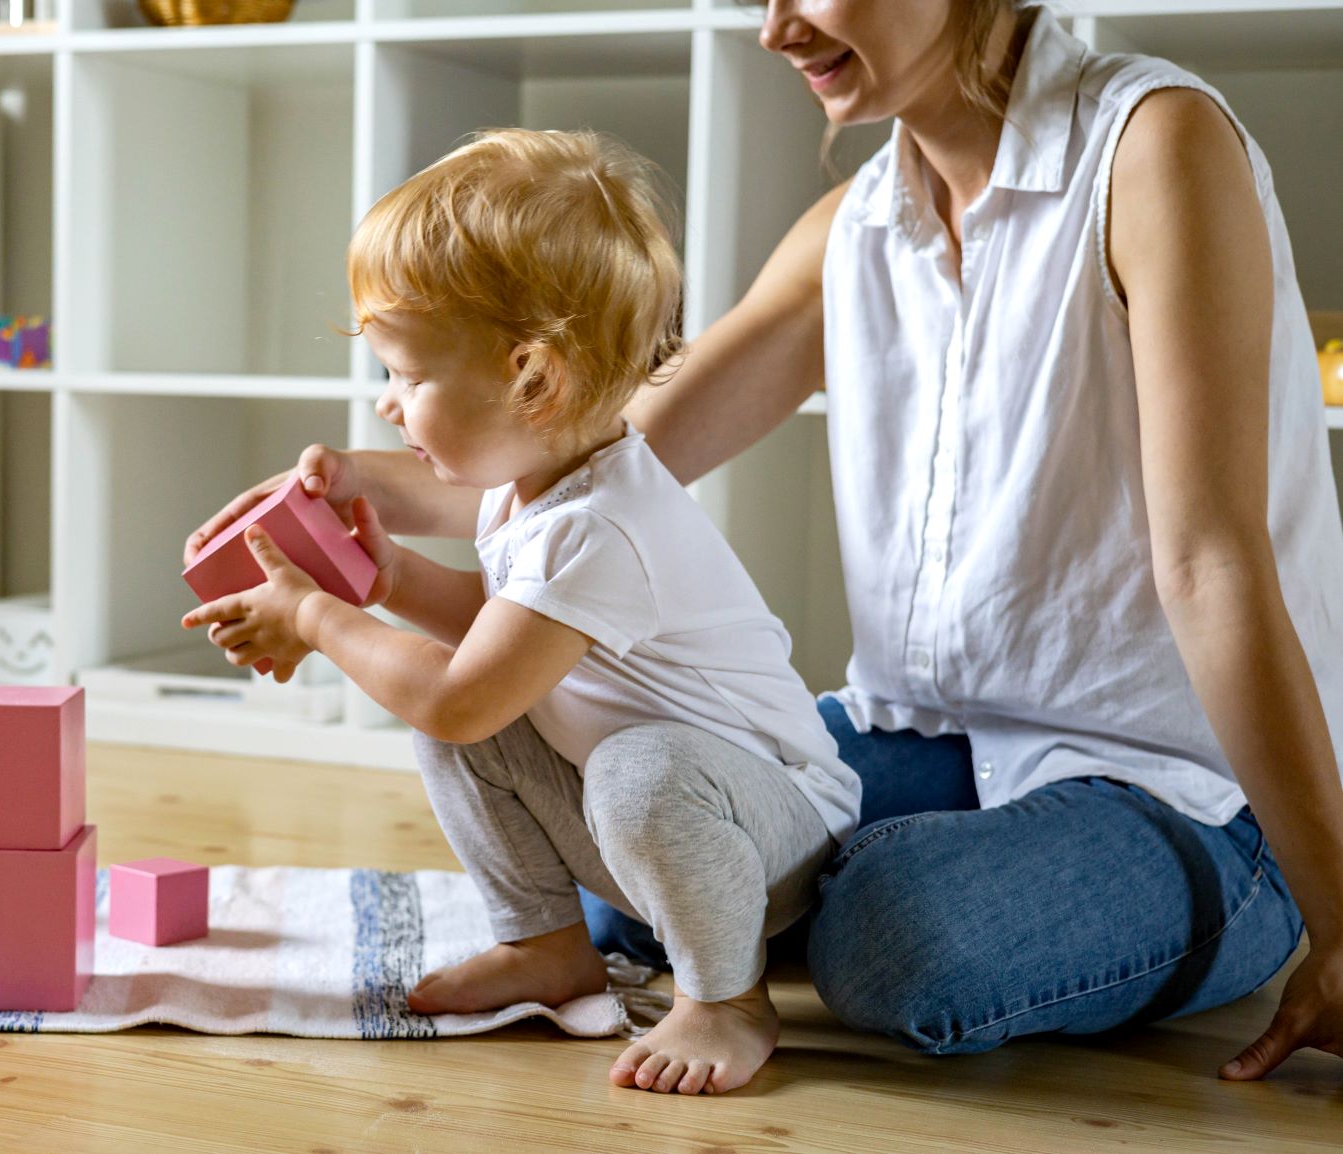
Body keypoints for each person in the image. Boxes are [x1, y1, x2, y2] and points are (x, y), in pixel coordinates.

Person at [188, 2, 1343, 1079]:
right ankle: (806, 909)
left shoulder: (1152, 147)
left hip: (1173, 783)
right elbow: (592, 446)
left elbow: (1210, 565)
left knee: (884, 938)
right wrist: (340, 498)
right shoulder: (859, 225)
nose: (774, 27)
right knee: (622, 877)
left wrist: (1341, 925)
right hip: (921, 733)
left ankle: (1146, 898)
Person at [181, 127, 862, 1095]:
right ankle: (548, 947)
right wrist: (388, 581)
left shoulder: (602, 525)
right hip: (659, 822)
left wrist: (317, 619)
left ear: (532, 379)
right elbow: (500, 640)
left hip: (770, 839)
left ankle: (727, 998)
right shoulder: (533, 488)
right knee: (498, 726)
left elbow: (461, 694)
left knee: (601, 758)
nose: (387, 406)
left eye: (408, 376)